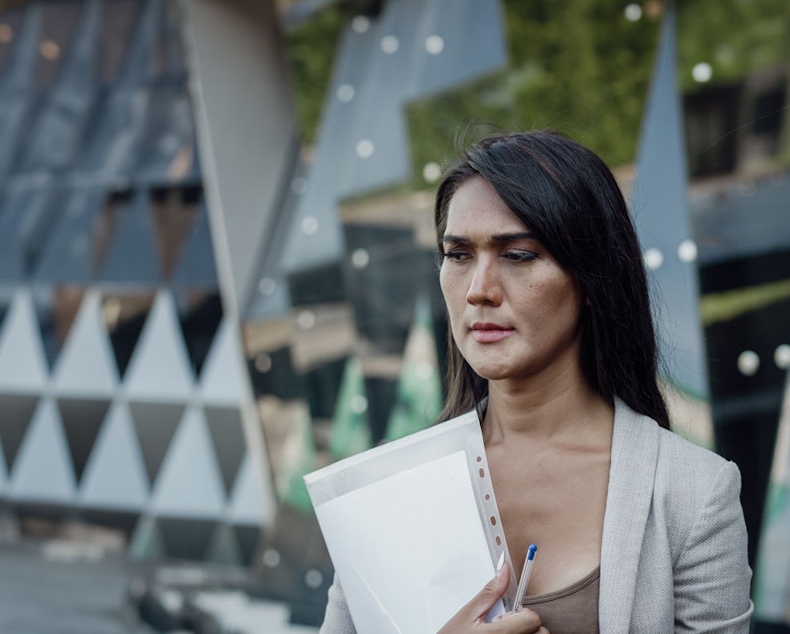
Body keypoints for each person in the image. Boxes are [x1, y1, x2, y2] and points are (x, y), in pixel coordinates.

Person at [318, 130, 753, 634]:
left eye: (518, 254)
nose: (479, 290)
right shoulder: (389, 489)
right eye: (458, 255)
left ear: (591, 279)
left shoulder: (691, 494)